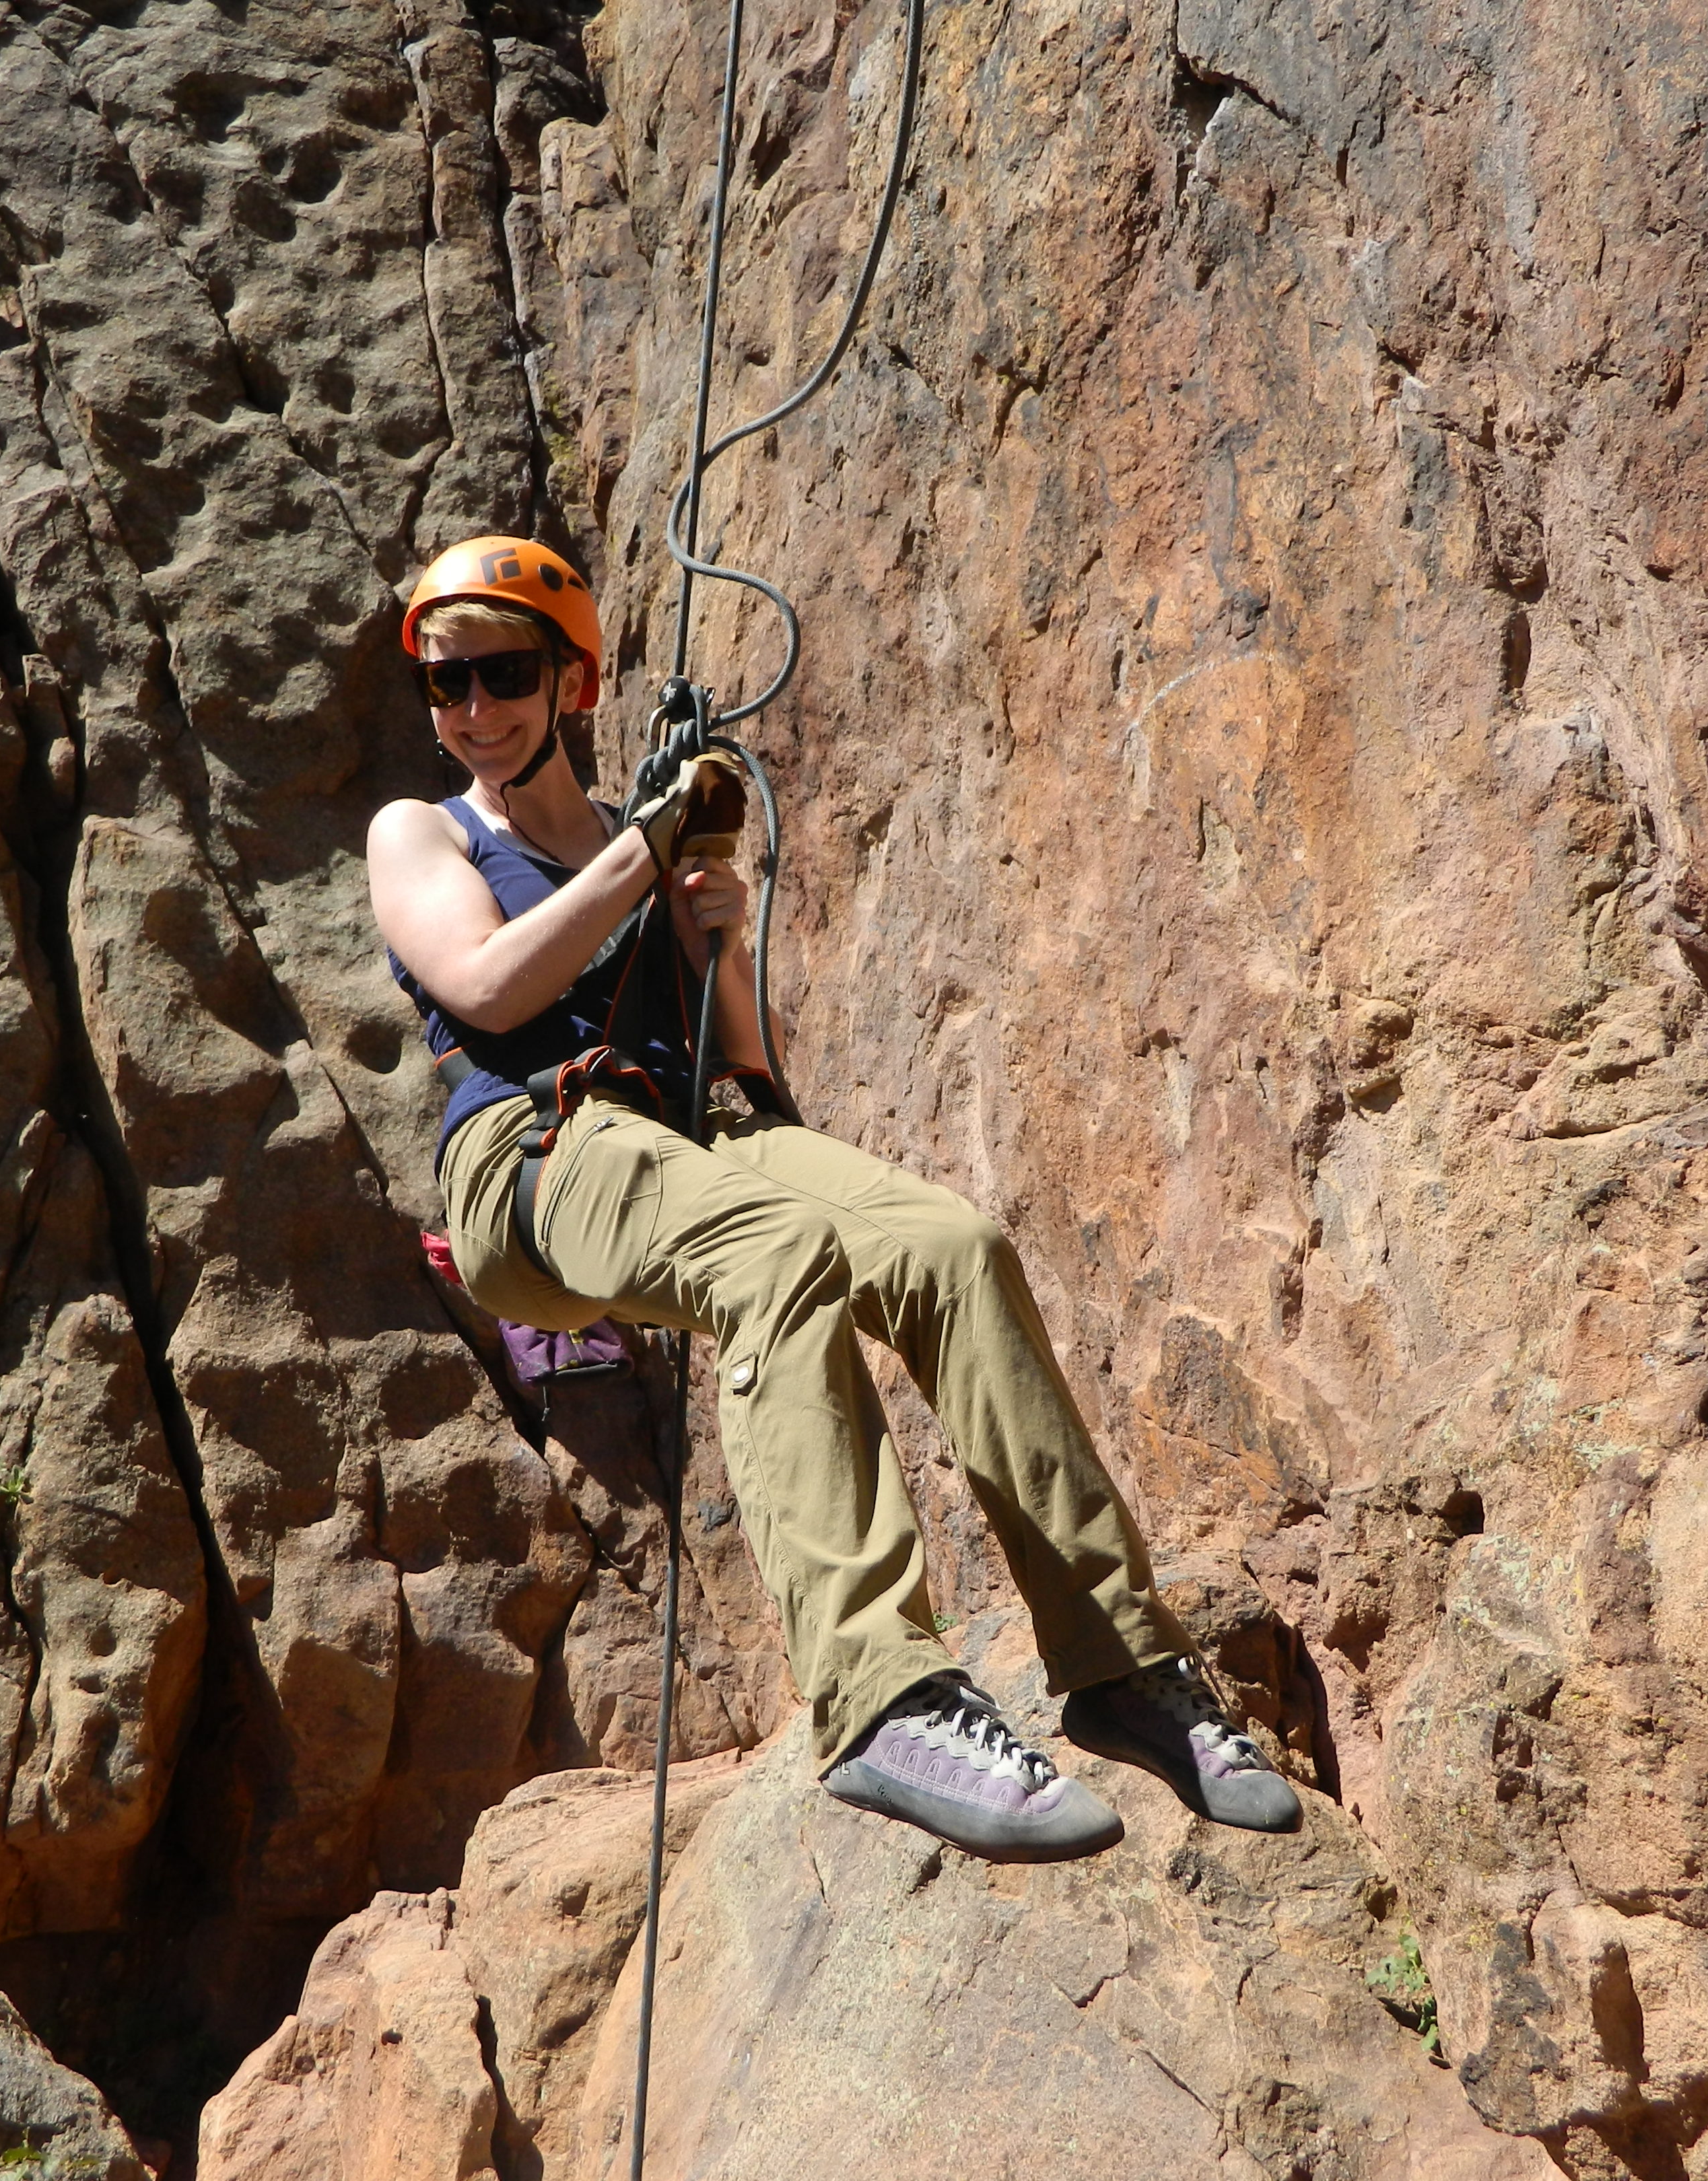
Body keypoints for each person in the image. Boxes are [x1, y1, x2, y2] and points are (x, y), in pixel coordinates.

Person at [367, 536, 1301, 1861]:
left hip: (685, 1133)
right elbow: (495, 987)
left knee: (949, 1248)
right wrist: (641, 852)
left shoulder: (640, 850)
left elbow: (739, 1068)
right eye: (443, 685)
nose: (470, 712)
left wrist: (715, 932)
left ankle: (1119, 1662)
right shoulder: (425, 831)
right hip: (533, 1155)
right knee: (778, 1249)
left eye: (500, 674)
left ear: (573, 680)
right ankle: (880, 1702)